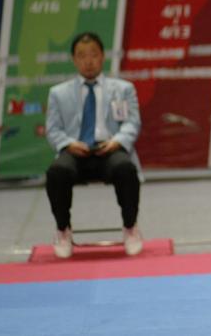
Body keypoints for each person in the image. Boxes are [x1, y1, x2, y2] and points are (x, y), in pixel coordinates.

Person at [45, 32, 143, 258]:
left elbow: (132, 122)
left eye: (93, 55)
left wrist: (117, 141)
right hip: (75, 150)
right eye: (81, 56)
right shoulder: (58, 94)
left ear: (102, 57)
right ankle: (62, 230)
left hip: (109, 149)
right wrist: (69, 144)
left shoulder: (124, 89)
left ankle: (130, 227)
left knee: (126, 169)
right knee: (56, 172)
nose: (88, 61)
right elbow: (53, 130)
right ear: (74, 59)